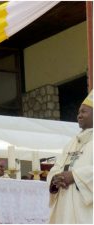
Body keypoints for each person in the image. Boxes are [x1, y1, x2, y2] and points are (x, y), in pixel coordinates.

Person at [47, 90, 93, 224]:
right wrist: (55, 179)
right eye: (79, 112)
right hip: (64, 206)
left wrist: (74, 176)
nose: (79, 115)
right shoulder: (71, 143)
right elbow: (56, 168)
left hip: (86, 211)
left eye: (84, 112)